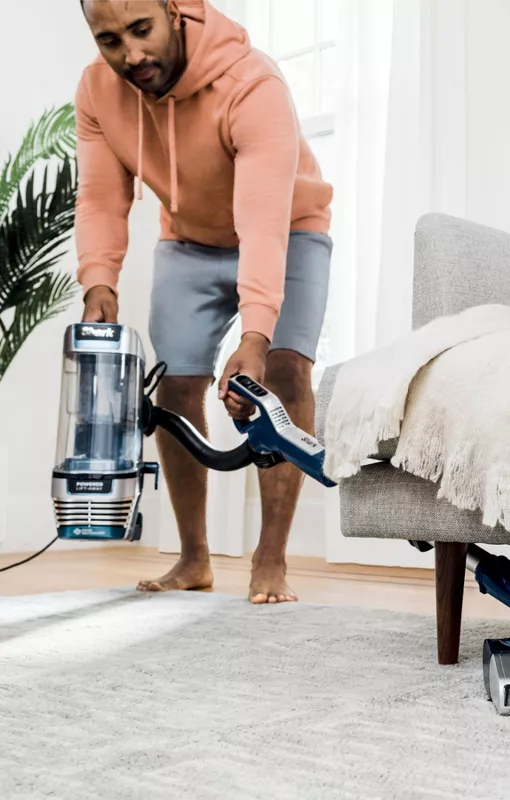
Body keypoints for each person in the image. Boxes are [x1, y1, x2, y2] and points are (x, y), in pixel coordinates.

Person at [76, 0, 333, 603]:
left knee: (285, 372)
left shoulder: (252, 82)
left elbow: (264, 221)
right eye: (110, 40)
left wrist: (255, 335)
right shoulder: (96, 92)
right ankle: (194, 558)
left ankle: (271, 558)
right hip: (189, 240)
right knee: (175, 384)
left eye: (141, 30)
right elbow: (99, 198)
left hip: (288, 229)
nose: (131, 55)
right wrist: (99, 284)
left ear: (174, 11)